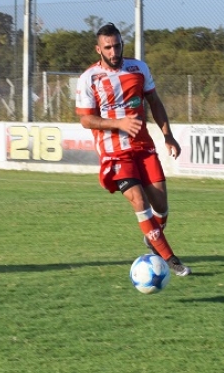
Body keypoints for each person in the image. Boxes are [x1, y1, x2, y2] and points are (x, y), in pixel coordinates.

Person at [75, 23, 191, 276]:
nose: (113, 51)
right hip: (114, 151)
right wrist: (118, 123)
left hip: (144, 146)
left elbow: (155, 102)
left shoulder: (139, 69)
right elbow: (86, 120)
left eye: (117, 45)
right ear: (98, 49)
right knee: (139, 200)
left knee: (161, 206)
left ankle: (153, 239)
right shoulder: (89, 78)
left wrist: (168, 135)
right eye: (108, 47)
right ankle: (171, 259)